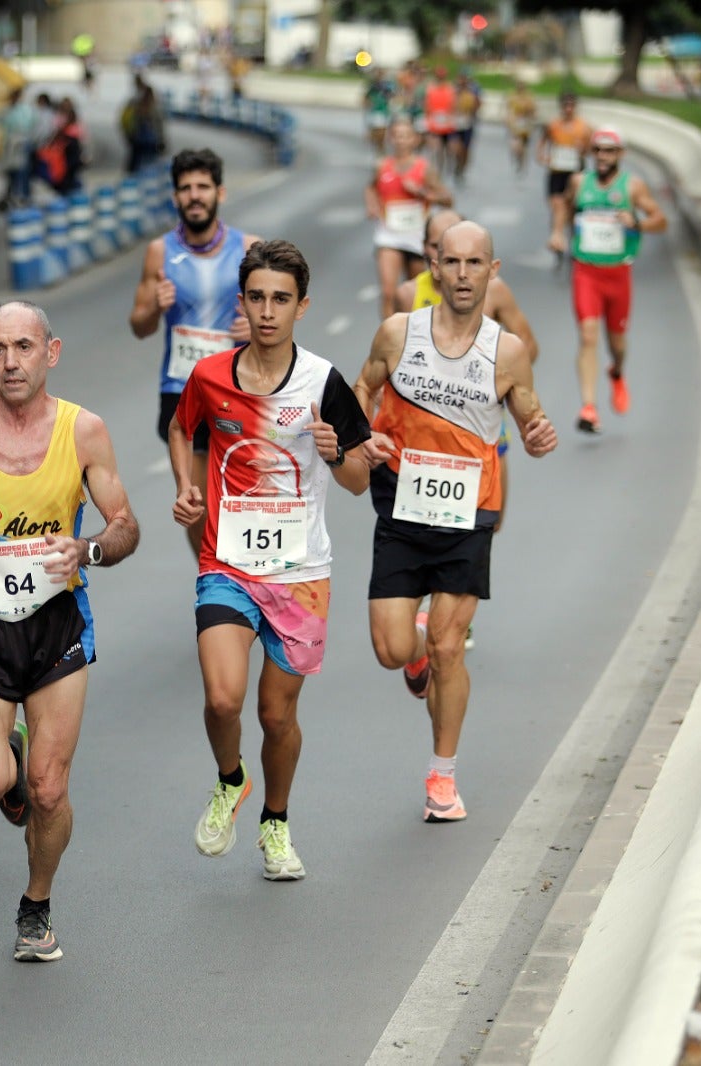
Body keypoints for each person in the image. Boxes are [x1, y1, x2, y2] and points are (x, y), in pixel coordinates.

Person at [0, 300, 140, 962]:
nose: (10, 362)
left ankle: (36, 904)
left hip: (57, 628)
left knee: (49, 789)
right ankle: (6, 757)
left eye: (24, 348)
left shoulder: (84, 431)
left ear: (51, 352)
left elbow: (124, 522)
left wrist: (89, 550)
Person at [169, 240, 371, 880]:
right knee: (224, 700)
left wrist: (337, 452)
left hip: (300, 573)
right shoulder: (210, 376)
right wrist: (187, 484)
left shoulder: (324, 383)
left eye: (280, 299)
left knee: (276, 714)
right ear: (243, 301)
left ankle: (276, 822)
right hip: (226, 561)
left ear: (301, 307)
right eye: (256, 297)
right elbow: (182, 428)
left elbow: (361, 481)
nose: (266, 311)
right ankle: (231, 780)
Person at [351, 221, 558, 823]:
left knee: (449, 645)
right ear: (433, 269)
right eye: (453, 263)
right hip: (401, 507)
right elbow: (362, 390)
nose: (464, 275)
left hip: (469, 511)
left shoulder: (508, 352)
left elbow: (532, 422)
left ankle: (442, 777)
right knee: (394, 649)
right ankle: (414, 656)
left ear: (493, 273)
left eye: (476, 264)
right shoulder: (397, 333)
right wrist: (364, 441)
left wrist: (540, 437)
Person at [129, 147, 265, 557]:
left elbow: (278, 316)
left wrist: (255, 329)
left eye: (202, 186)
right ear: (175, 197)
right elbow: (139, 326)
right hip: (182, 387)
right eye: (185, 188)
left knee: (243, 495)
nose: (194, 195)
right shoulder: (160, 252)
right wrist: (156, 304)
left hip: (239, 386)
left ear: (219, 192)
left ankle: (243, 570)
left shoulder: (249, 248)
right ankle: (212, 574)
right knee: (197, 499)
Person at [397, 208, 540, 532]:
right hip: (426, 422)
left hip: (480, 414)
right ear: (428, 252)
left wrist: (495, 379)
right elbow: (393, 360)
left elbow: (529, 346)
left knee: (490, 522)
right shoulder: (408, 295)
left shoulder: (495, 290)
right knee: (420, 522)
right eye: (437, 247)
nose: (457, 267)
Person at [547, 127, 667, 434]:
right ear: (592, 154)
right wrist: (558, 232)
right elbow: (563, 205)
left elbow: (661, 220)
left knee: (617, 343)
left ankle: (617, 371)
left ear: (620, 155)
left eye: (609, 151)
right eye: (598, 150)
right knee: (588, 336)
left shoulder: (633, 187)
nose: (603, 157)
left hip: (618, 274)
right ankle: (589, 408)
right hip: (586, 271)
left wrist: (637, 222)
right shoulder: (579, 181)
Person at [366, 115, 452, 320]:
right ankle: (390, 338)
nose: (401, 140)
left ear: (415, 139)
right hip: (388, 234)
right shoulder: (382, 166)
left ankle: (414, 334)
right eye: (396, 135)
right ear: (390, 139)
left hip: (416, 237)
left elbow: (448, 200)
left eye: (406, 136)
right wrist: (372, 206)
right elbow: (370, 188)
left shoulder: (424, 168)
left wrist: (422, 192)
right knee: (388, 292)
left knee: (415, 293)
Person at [538, 91, 592, 267]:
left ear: (575, 107)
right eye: (565, 106)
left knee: (573, 211)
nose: (568, 109)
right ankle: (558, 237)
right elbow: (543, 142)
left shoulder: (584, 127)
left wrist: (582, 148)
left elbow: (590, 150)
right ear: (561, 107)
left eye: (571, 105)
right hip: (557, 172)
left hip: (575, 173)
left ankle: (571, 241)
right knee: (557, 205)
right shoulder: (553, 125)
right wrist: (542, 157)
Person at [0, 86, 37, 210]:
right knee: (10, 171)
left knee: (21, 170)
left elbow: (29, 124)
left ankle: (23, 195)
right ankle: (11, 195)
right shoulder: (8, 110)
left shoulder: (24, 110)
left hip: (21, 143)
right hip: (10, 144)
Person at [35, 98, 86, 196]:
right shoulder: (62, 127)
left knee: (69, 181)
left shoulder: (70, 129)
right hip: (64, 162)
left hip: (69, 161)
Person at [120, 80, 166, 174]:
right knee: (150, 164)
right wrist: (162, 140)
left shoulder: (135, 105)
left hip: (138, 141)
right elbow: (159, 126)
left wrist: (129, 135)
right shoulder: (155, 108)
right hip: (151, 142)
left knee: (136, 163)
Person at [450, 70, 481, 182]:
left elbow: (477, 107)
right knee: (455, 147)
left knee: (465, 149)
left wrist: (470, 114)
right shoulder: (453, 92)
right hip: (455, 125)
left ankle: (462, 167)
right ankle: (457, 164)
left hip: (467, 125)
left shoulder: (472, 93)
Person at [506, 81, 537, 174]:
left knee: (523, 146)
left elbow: (533, 111)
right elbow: (509, 109)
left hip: (525, 125)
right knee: (515, 145)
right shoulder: (513, 96)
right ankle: (517, 158)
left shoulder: (529, 98)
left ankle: (522, 163)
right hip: (515, 124)